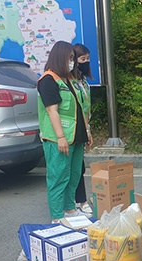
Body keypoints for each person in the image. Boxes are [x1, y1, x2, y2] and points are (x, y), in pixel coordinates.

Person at [38, 41, 92, 223]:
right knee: (58, 177)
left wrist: (87, 130)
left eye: (73, 58)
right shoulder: (48, 80)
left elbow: (80, 106)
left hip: (76, 135)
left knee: (74, 175)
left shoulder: (70, 79)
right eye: (69, 58)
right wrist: (60, 136)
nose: (73, 62)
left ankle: (70, 209)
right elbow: (52, 110)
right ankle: (57, 217)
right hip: (58, 138)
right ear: (60, 57)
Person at [72, 43, 93, 216]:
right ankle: (79, 201)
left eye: (87, 59)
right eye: (82, 59)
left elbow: (86, 107)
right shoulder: (70, 82)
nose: (86, 62)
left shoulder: (83, 81)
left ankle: (80, 200)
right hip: (74, 128)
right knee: (74, 167)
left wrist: (88, 129)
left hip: (84, 126)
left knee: (80, 166)